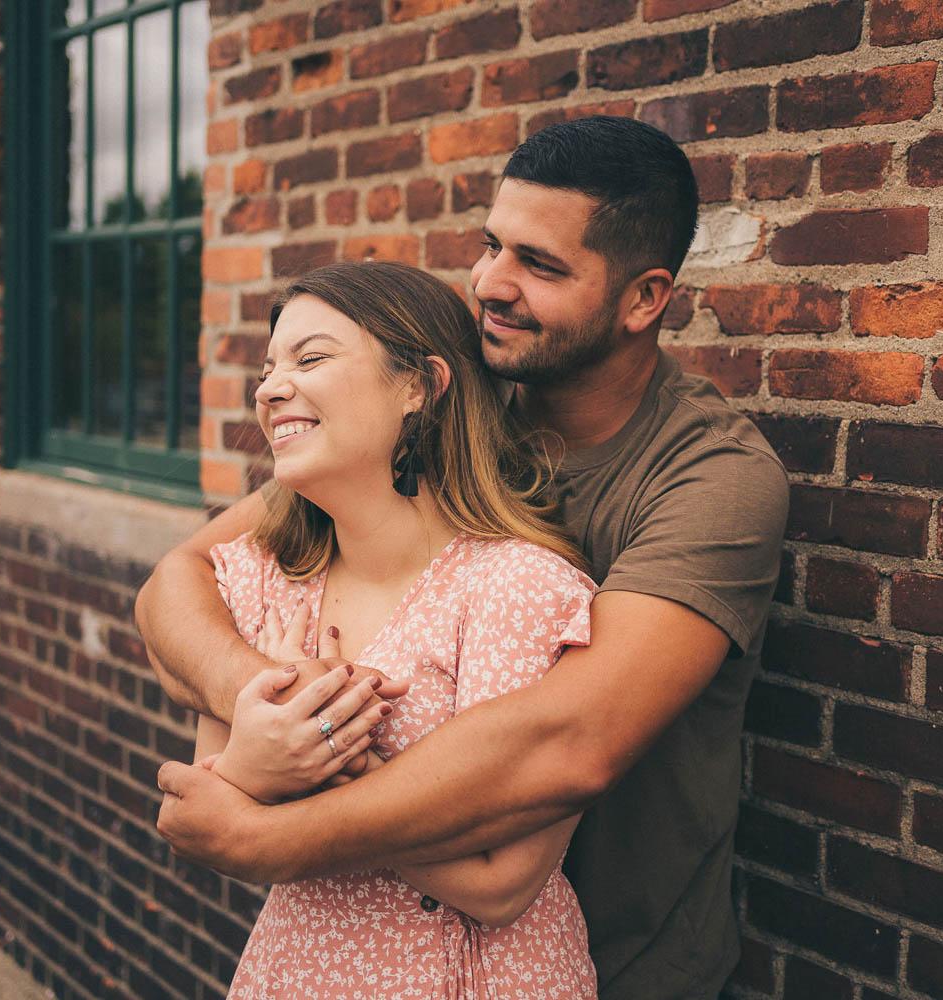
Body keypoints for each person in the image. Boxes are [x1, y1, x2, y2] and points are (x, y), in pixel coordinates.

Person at [141, 116, 790, 999]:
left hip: (624, 960)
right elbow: (179, 582)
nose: (490, 283)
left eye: (542, 265)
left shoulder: (711, 476)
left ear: (643, 300)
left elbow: (567, 744)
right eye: (493, 246)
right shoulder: (451, 424)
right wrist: (266, 707)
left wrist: (264, 832)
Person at [199, 260, 600, 998]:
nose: (270, 387)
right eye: (268, 368)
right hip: (295, 973)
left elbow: (496, 883)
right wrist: (263, 768)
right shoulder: (264, 576)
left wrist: (316, 748)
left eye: (310, 358)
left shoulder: (517, 588)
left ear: (419, 387)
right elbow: (211, 806)